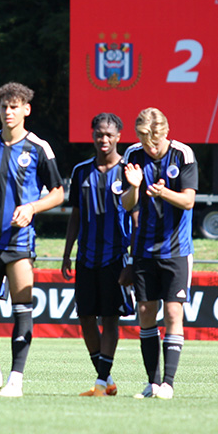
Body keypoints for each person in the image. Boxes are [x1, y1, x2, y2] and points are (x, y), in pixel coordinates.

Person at [0, 82, 64, 397]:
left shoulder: (38, 148)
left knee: (22, 306)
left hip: (19, 241)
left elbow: (59, 193)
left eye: (14, 107)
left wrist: (33, 207)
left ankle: (16, 379)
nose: (8, 112)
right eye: (3, 107)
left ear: (26, 109)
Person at [121, 107, 197, 400]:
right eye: (142, 139)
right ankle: (152, 383)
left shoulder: (183, 155)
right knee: (145, 312)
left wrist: (163, 192)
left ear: (165, 133)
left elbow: (189, 201)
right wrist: (135, 187)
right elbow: (127, 204)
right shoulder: (132, 155)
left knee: (173, 311)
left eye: (153, 140)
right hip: (142, 249)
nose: (148, 146)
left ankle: (168, 383)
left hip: (176, 249)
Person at [62, 112, 134, 397]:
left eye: (109, 135)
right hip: (86, 257)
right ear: (92, 135)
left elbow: (137, 215)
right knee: (86, 318)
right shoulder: (82, 171)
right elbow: (75, 216)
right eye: (98, 134)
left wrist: (133, 259)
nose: (103, 139)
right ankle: (106, 380)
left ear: (118, 137)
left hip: (115, 257)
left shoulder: (129, 170)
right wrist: (67, 253)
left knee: (110, 318)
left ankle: (102, 382)